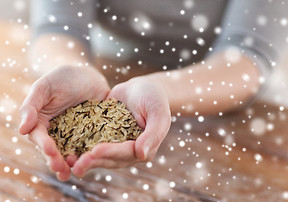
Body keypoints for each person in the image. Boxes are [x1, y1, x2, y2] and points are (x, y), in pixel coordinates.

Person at [19, 0, 288, 181]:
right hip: (108, 71)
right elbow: (56, 28)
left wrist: (159, 89)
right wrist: (69, 67)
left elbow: (247, 58)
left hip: (222, 97)